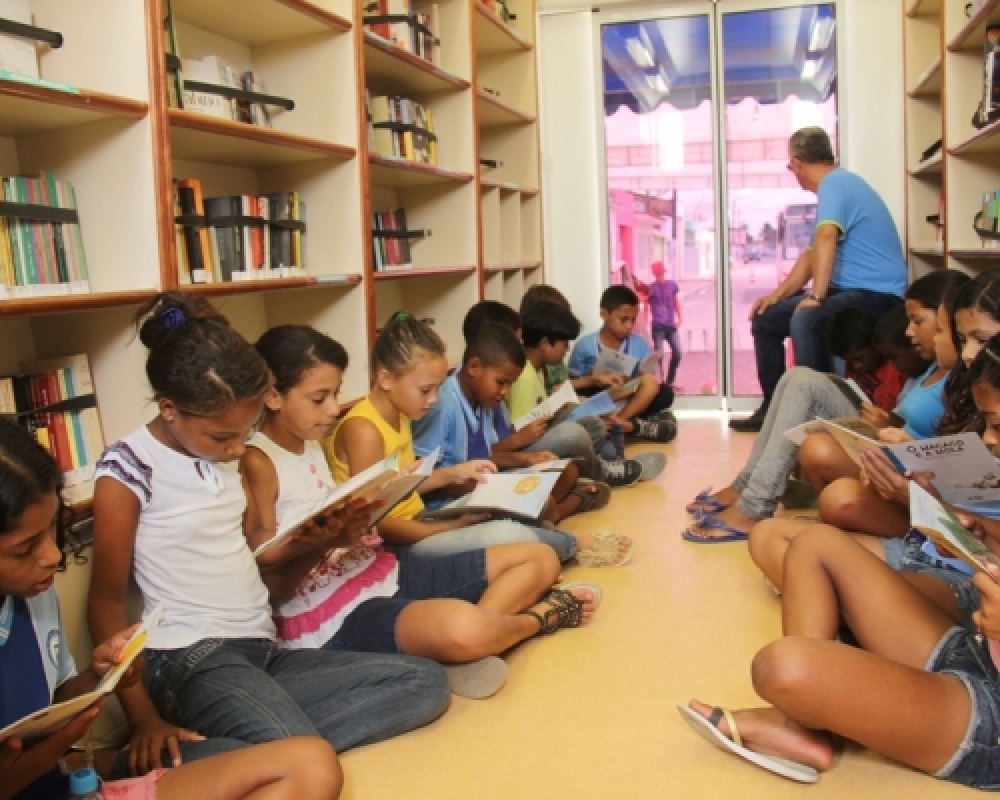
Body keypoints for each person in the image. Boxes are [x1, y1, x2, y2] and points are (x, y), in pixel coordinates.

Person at [86, 293, 450, 777]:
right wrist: (143, 719)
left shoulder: (228, 457)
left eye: (246, 430)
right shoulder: (128, 469)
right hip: (189, 656)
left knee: (425, 682)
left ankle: (249, 749)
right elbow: (105, 604)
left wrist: (325, 540)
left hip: (261, 646)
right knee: (302, 759)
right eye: (223, 437)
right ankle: (156, 760)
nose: (239, 447)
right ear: (170, 409)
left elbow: (262, 581)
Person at [679, 339, 1000, 789]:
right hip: (974, 650)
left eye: (998, 427)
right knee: (814, 544)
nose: (988, 439)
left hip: (989, 711)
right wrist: (956, 530)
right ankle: (800, 725)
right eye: (988, 425)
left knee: (784, 668)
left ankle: (807, 720)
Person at [242, 325, 601, 701]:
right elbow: (262, 554)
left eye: (335, 394)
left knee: (540, 559)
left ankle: (471, 644)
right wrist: (327, 539)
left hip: (375, 568)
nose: (334, 408)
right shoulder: (258, 460)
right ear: (272, 397)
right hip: (335, 608)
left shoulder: (309, 442)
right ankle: (538, 619)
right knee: (466, 627)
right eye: (320, 399)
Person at [0, 417, 344, 800]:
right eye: (24, 548)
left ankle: (106, 764)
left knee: (304, 761)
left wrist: (98, 677)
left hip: (60, 783)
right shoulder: (129, 471)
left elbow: (54, 708)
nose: (51, 556)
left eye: (52, 531)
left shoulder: (32, 596)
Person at [325, 312, 626, 565]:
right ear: (386, 378)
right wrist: (448, 527)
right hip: (399, 542)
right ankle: (571, 545)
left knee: (514, 509)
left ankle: (550, 541)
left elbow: (403, 485)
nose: (433, 399)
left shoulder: (401, 410)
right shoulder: (364, 430)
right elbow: (376, 524)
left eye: (437, 388)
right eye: (426, 390)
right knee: (505, 534)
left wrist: (454, 473)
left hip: (420, 520)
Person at [682, 306, 923, 543]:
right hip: (875, 430)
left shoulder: (907, 367)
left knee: (805, 385)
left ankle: (755, 505)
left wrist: (887, 421)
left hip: (889, 443)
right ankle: (745, 486)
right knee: (795, 376)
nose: (913, 332)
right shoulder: (914, 369)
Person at [731, 127, 906, 433]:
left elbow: (826, 237)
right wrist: (776, 296)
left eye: (790, 167)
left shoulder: (836, 185)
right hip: (849, 291)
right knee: (766, 319)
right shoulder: (836, 187)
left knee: (808, 318)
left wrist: (817, 297)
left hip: (878, 295)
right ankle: (773, 409)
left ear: (797, 163)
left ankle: (818, 420)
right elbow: (813, 256)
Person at [412, 317, 644, 498]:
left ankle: (566, 500)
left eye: (509, 384)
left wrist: (528, 460)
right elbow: (424, 482)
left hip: (484, 483)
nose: (505, 392)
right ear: (474, 367)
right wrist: (501, 482)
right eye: (501, 383)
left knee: (568, 472)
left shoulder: (481, 398)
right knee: (549, 499)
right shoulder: (442, 405)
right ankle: (569, 503)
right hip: (460, 496)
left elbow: (487, 454)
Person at [568, 285, 676, 443]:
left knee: (664, 392)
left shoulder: (639, 343)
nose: (629, 326)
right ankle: (637, 425)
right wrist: (592, 378)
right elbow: (572, 384)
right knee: (577, 400)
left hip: (629, 397)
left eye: (633, 320)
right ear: (604, 314)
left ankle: (615, 423)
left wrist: (636, 377)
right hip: (600, 396)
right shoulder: (585, 346)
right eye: (623, 319)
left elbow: (648, 379)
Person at [635, 261, 683, 388]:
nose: (659, 276)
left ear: (664, 272)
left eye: (660, 273)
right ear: (654, 274)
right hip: (657, 327)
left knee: (678, 352)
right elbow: (646, 307)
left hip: (671, 325)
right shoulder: (650, 288)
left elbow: (675, 302)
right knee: (658, 355)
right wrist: (643, 324)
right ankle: (661, 382)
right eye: (657, 274)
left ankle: (670, 380)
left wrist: (680, 319)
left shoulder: (672, 285)